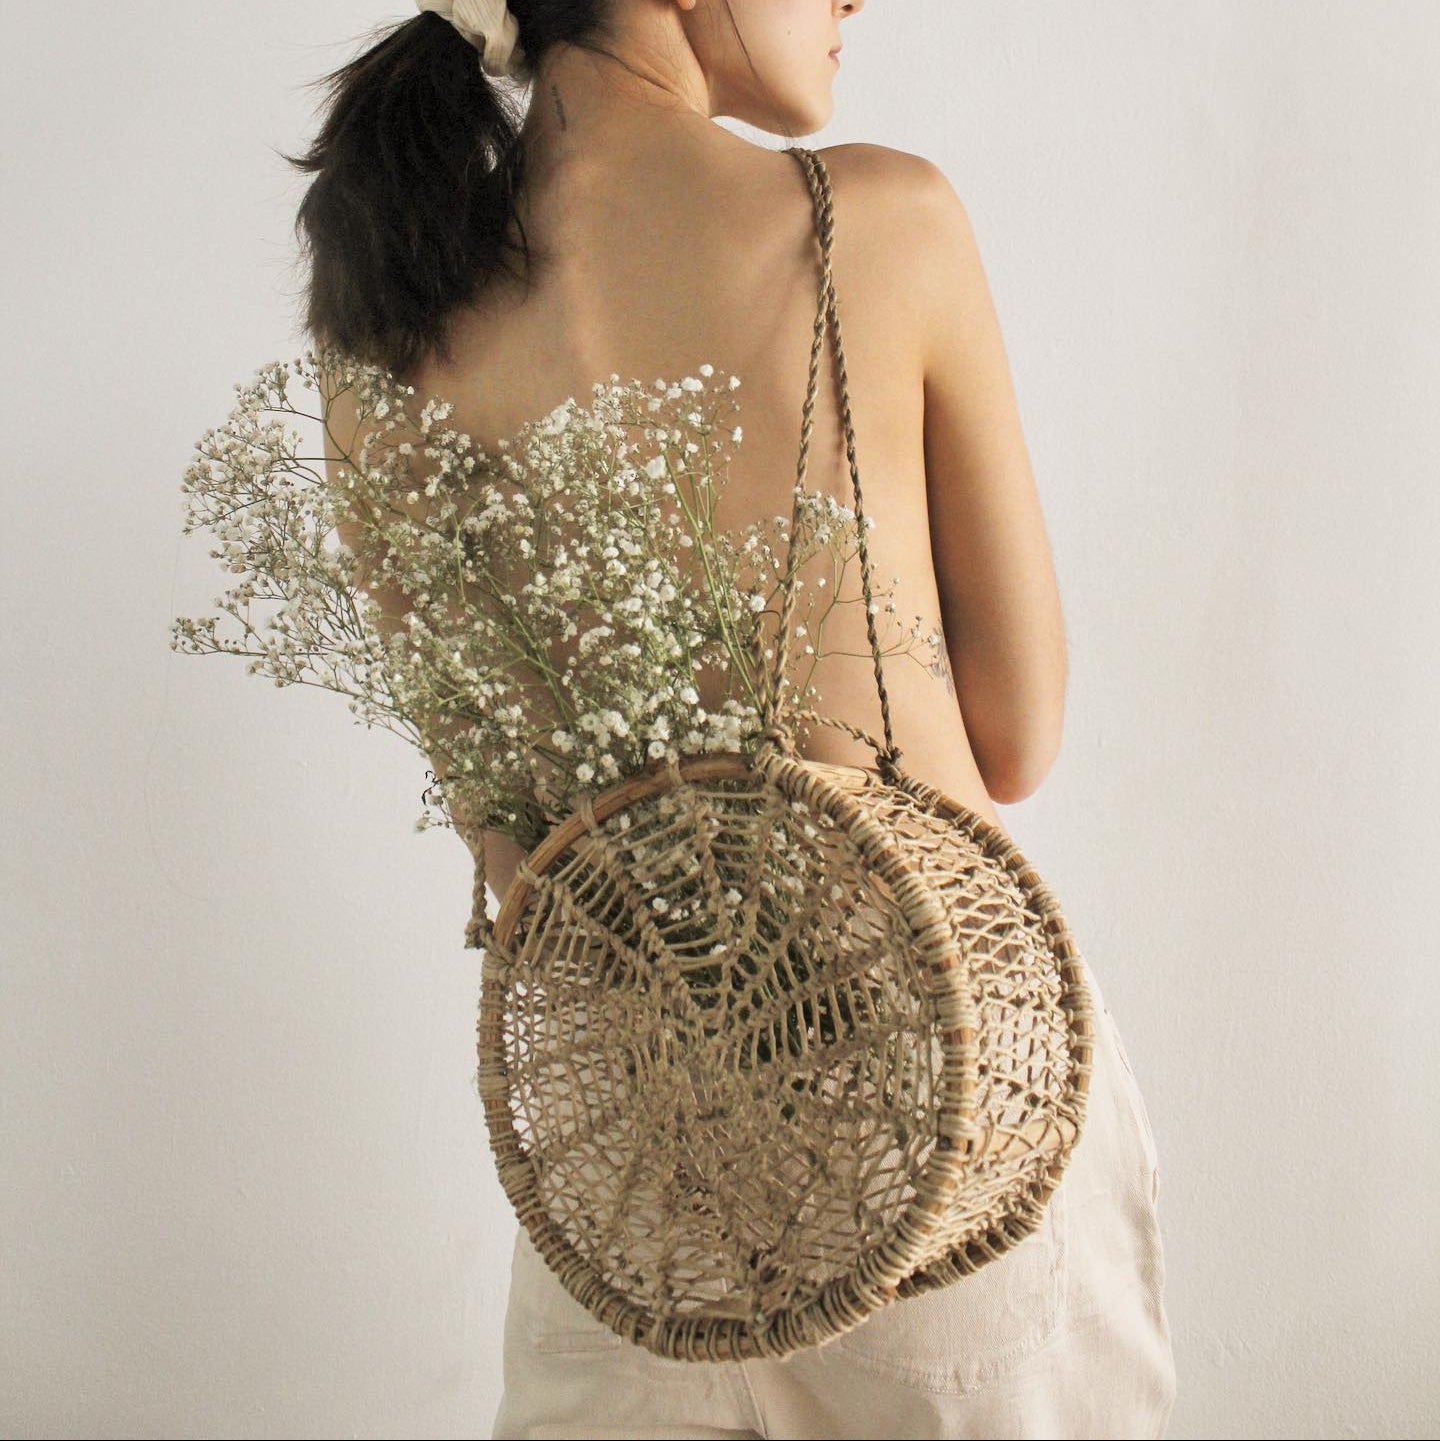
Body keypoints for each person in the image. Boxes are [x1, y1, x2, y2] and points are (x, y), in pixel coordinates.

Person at [289, 2, 1177, 1435]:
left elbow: (508, 831)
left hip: (634, 1183)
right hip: (947, 1124)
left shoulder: (386, 324)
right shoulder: (870, 223)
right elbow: (1018, 727)